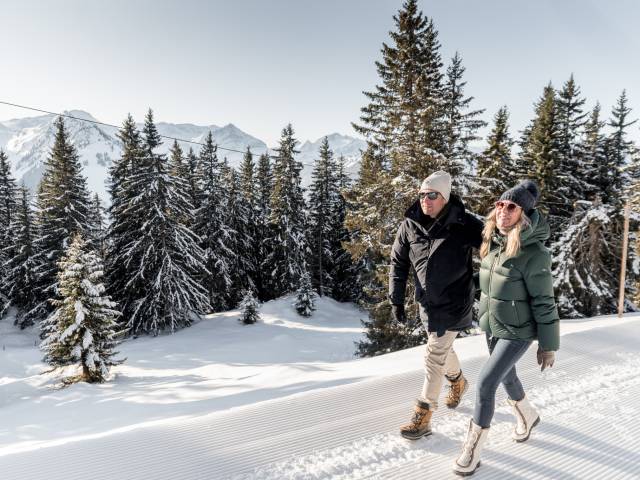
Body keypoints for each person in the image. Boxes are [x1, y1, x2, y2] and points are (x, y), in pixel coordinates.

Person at [453, 180, 560, 476]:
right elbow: (489, 282)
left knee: (486, 383)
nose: (503, 210)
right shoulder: (494, 242)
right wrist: (458, 289)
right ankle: (527, 415)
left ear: (523, 214)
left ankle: (473, 450)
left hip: (519, 330)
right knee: (506, 374)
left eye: (511, 206)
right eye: (500, 204)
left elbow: (544, 301)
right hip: (492, 323)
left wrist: (548, 344)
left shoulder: (534, 253)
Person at [389, 170, 483, 440]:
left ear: (445, 197)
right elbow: (399, 263)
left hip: (454, 302)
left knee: (433, 356)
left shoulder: (464, 223)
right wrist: (396, 299)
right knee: (441, 347)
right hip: (428, 303)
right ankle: (458, 381)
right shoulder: (409, 225)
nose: (425, 200)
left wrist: (483, 282)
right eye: (422, 195)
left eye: (432, 195)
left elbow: (494, 249)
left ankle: (423, 415)